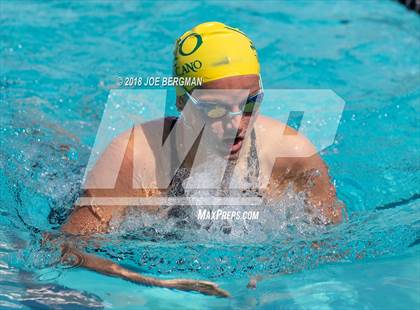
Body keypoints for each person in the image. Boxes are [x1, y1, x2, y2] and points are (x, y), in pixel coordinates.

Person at [59, 22, 344, 297]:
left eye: (249, 104)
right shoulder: (135, 159)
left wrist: (275, 277)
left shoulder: (291, 155)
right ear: (182, 102)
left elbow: (332, 242)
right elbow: (65, 248)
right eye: (215, 109)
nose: (236, 124)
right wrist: (157, 284)